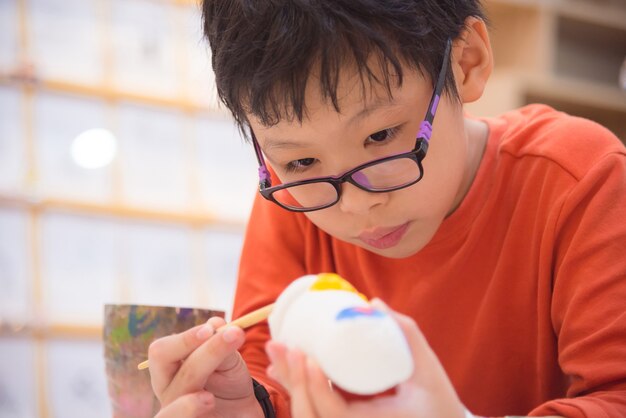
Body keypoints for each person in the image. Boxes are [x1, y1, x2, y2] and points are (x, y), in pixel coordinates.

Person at [147, 1, 626, 417]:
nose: (356, 205)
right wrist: (249, 404)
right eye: (300, 159)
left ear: (465, 61)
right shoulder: (303, 196)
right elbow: (263, 363)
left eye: (380, 137)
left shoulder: (579, 181)